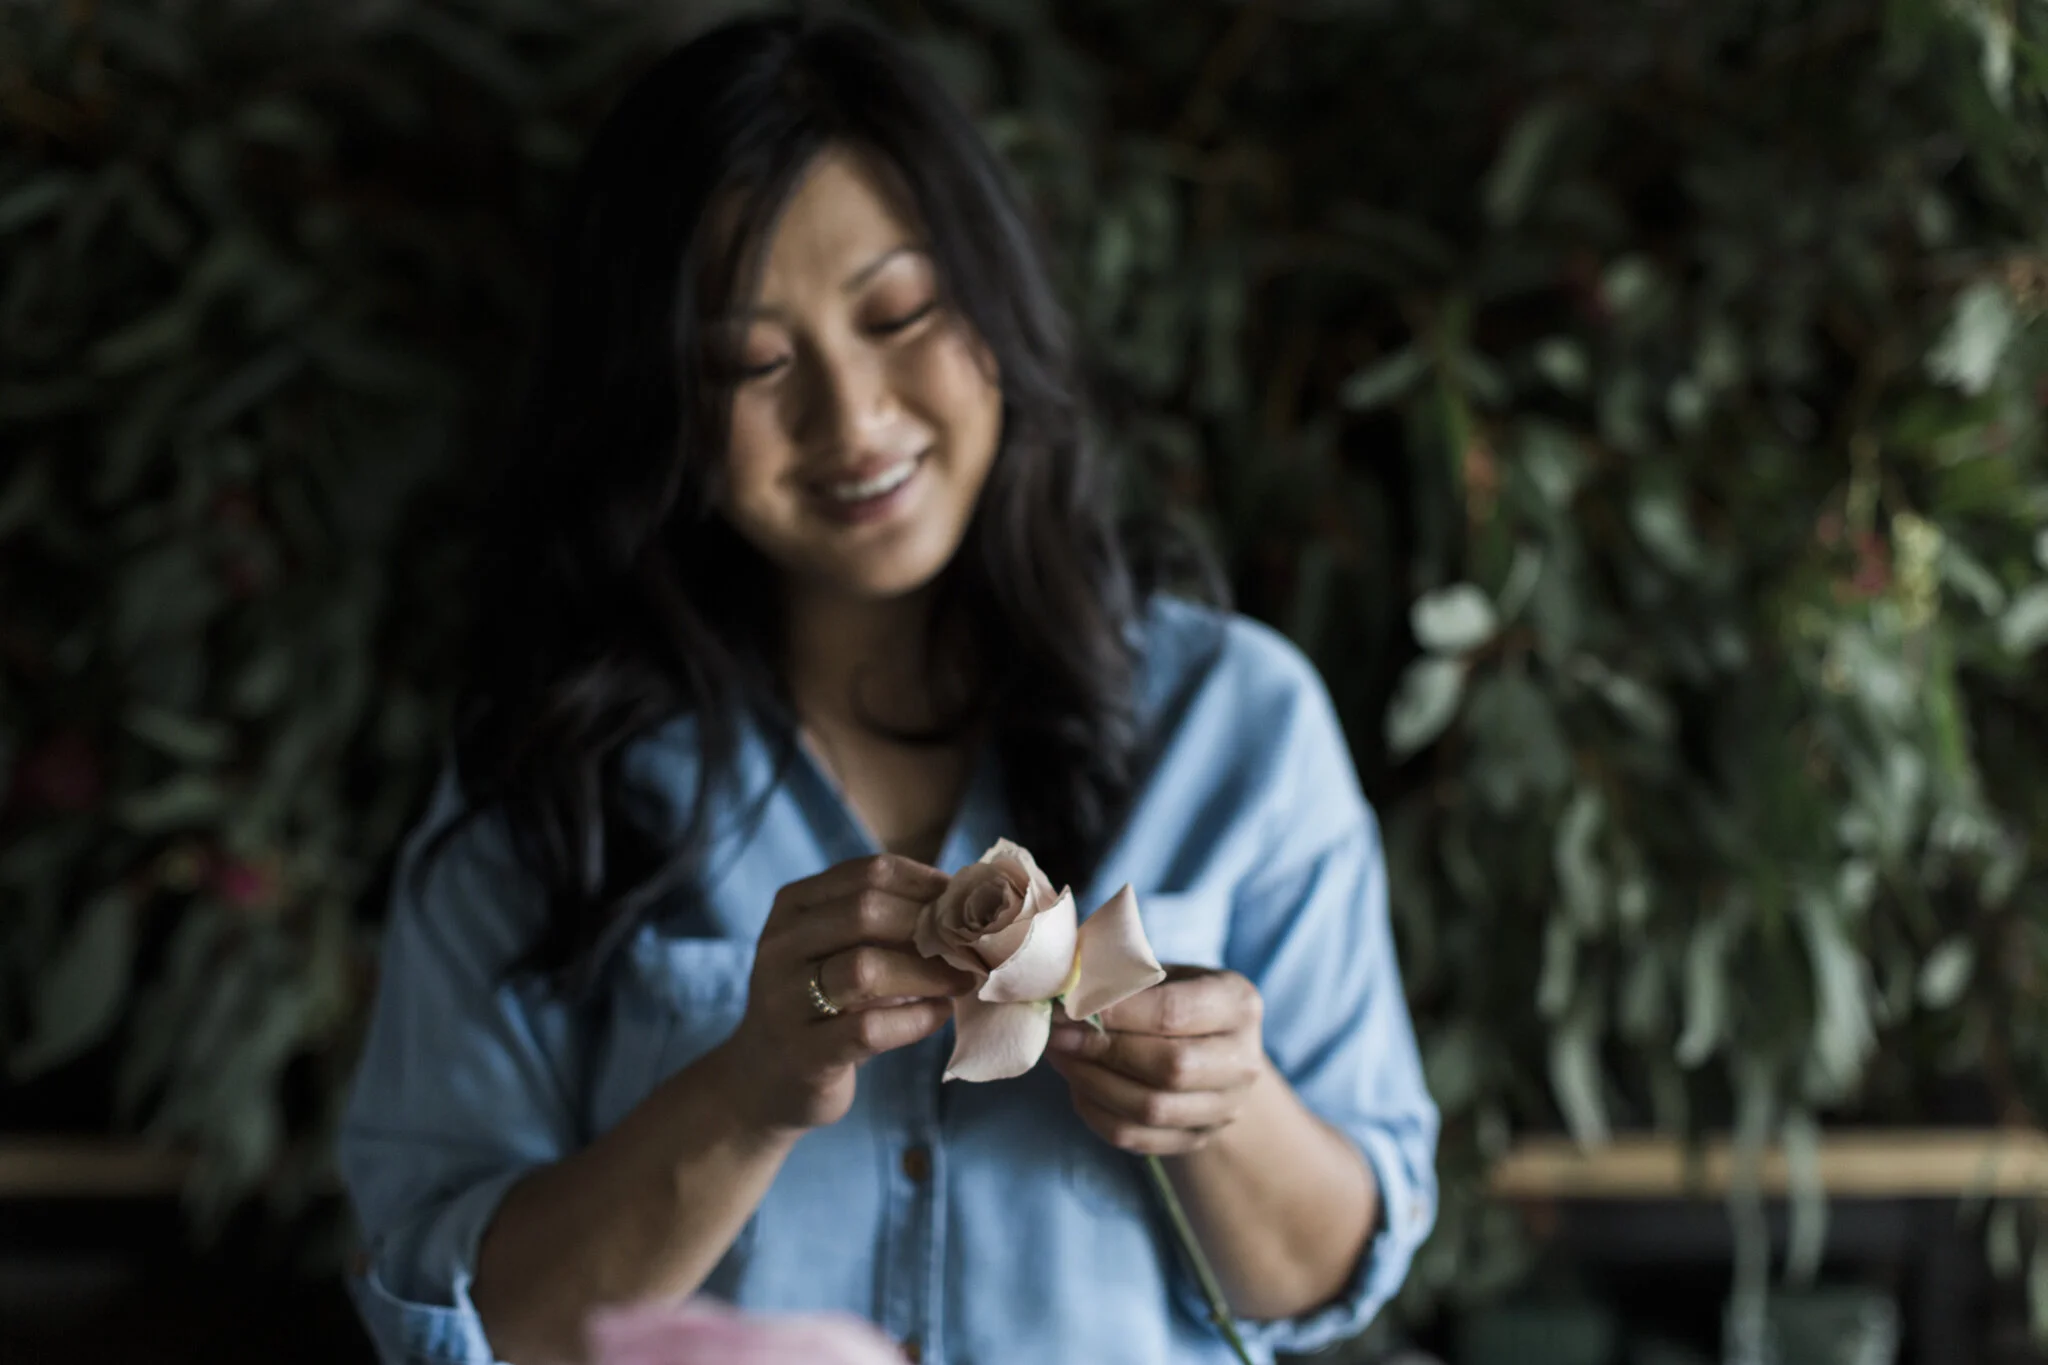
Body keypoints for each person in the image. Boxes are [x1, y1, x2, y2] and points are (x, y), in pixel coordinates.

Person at [339, 15, 1437, 1365]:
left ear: (996, 302)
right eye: (753, 365)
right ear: (661, 404)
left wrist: (1226, 1103)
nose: (853, 421)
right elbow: (463, 1319)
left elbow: (1328, 1275)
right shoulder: (545, 772)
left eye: (900, 314)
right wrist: (747, 1089)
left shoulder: (1239, 723)